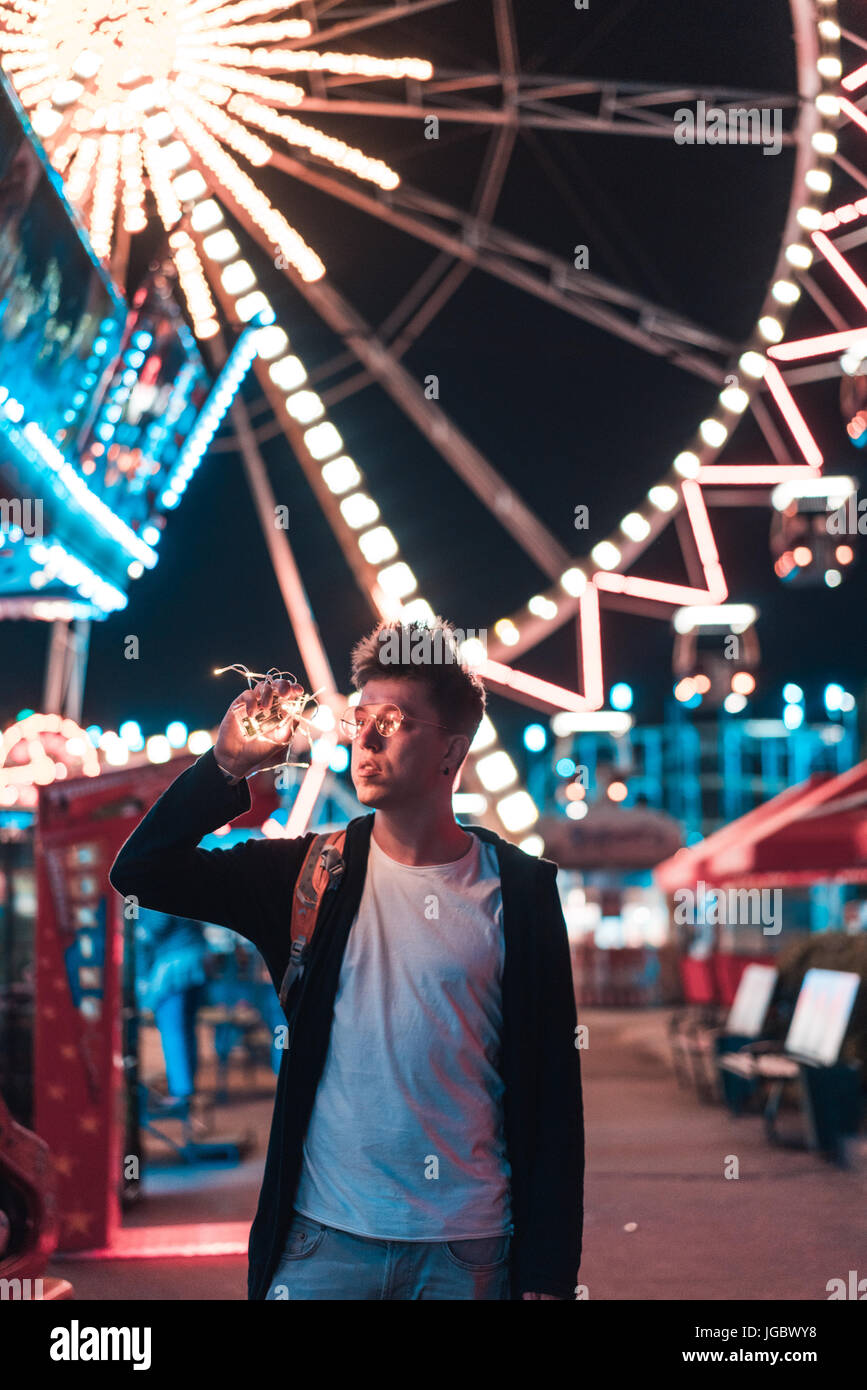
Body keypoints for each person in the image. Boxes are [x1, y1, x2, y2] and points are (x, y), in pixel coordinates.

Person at [110, 618, 584, 1300]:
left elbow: (551, 1094)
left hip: (467, 1249)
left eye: (392, 720)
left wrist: (547, 1271)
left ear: (451, 752)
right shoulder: (307, 876)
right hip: (321, 1243)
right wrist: (225, 768)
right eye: (360, 717)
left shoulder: (520, 892)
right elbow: (142, 872)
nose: (365, 737)